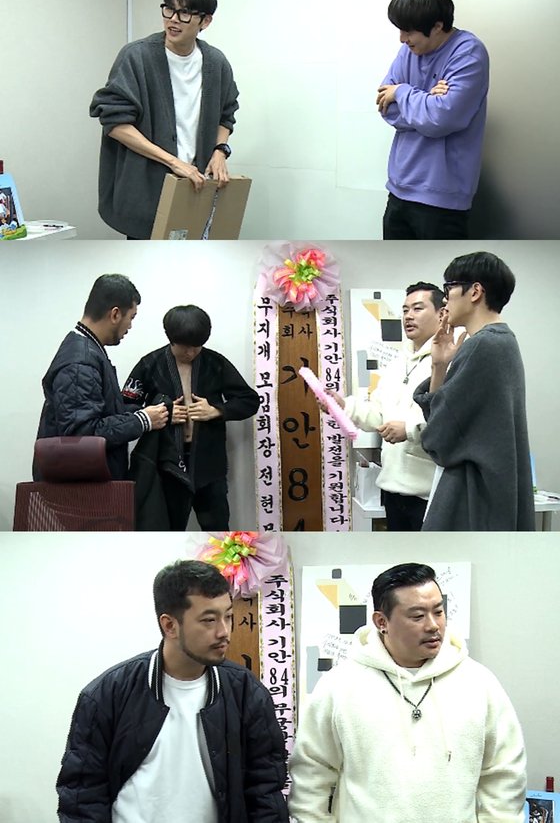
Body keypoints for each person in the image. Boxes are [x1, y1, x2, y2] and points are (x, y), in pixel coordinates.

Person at [289, 562, 527, 823]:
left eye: (439, 611)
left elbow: (504, 773)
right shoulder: (339, 686)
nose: (433, 625)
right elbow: (311, 772)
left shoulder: (479, 683)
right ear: (382, 622)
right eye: (417, 616)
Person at [57, 559, 289, 823]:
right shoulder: (108, 694)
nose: (224, 632)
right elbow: (82, 797)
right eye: (209, 620)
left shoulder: (246, 693)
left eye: (228, 616)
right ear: (170, 625)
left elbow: (265, 793)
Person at [90, 0, 239, 239]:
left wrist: (220, 151)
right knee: (145, 247)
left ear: (205, 21)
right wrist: (173, 162)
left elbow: (227, 114)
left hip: (195, 187)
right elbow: (115, 123)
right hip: (146, 188)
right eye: (169, 9)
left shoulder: (216, 62)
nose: (173, 19)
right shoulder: (137, 56)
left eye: (185, 13)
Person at [413, 252, 535, 530]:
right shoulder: (503, 341)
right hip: (490, 491)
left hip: (472, 496)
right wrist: (440, 366)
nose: (445, 299)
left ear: (475, 291)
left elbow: (439, 439)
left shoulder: (482, 345)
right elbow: (446, 419)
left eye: (448, 288)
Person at [122, 305, 260, 530]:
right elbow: (125, 407)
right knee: (166, 530)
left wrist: (216, 411)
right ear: (171, 339)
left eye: (197, 347)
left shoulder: (215, 363)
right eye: (185, 347)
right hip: (166, 465)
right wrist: (159, 414)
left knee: (218, 531)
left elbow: (249, 400)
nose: (191, 353)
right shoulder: (150, 364)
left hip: (209, 463)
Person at [377, 0, 489, 240]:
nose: (402, 39)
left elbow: (441, 119)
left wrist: (402, 93)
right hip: (398, 190)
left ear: (437, 26)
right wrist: (428, 100)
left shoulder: (468, 52)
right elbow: (386, 107)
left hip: (443, 199)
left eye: (408, 31)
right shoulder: (407, 51)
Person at [329, 283, 444, 530]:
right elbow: (377, 415)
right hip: (392, 489)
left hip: (431, 493)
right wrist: (343, 405)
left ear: (441, 313)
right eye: (405, 310)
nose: (408, 316)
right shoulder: (396, 363)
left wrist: (409, 429)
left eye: (418, 308)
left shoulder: (448, 361)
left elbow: (450, 420)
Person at [35, 274, 168, 480]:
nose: (130, 326)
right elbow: (83, 436)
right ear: (115, 314)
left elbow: (103, 412)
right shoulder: (80, 363)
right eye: (131, 317)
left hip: (85, 483)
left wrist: (146, 412)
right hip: (79, 490)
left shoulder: (87, 350)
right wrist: (142, 421)